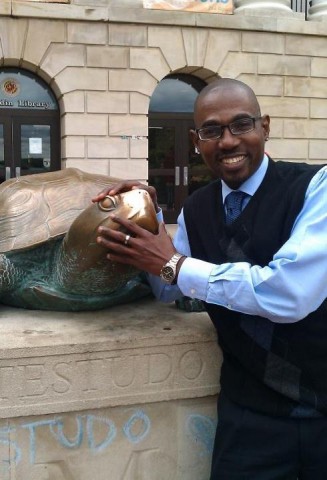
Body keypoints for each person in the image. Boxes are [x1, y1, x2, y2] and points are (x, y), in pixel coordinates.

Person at [94, 78, 327, 479]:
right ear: (196, 140)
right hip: (248, 417)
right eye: (212, 131)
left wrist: (178, 266)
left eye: (241, 125)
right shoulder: (196, 209)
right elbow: (170, 287)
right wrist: (145, 217)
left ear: (265, 127)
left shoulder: (314, 187)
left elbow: (290, 294)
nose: (228, 141)